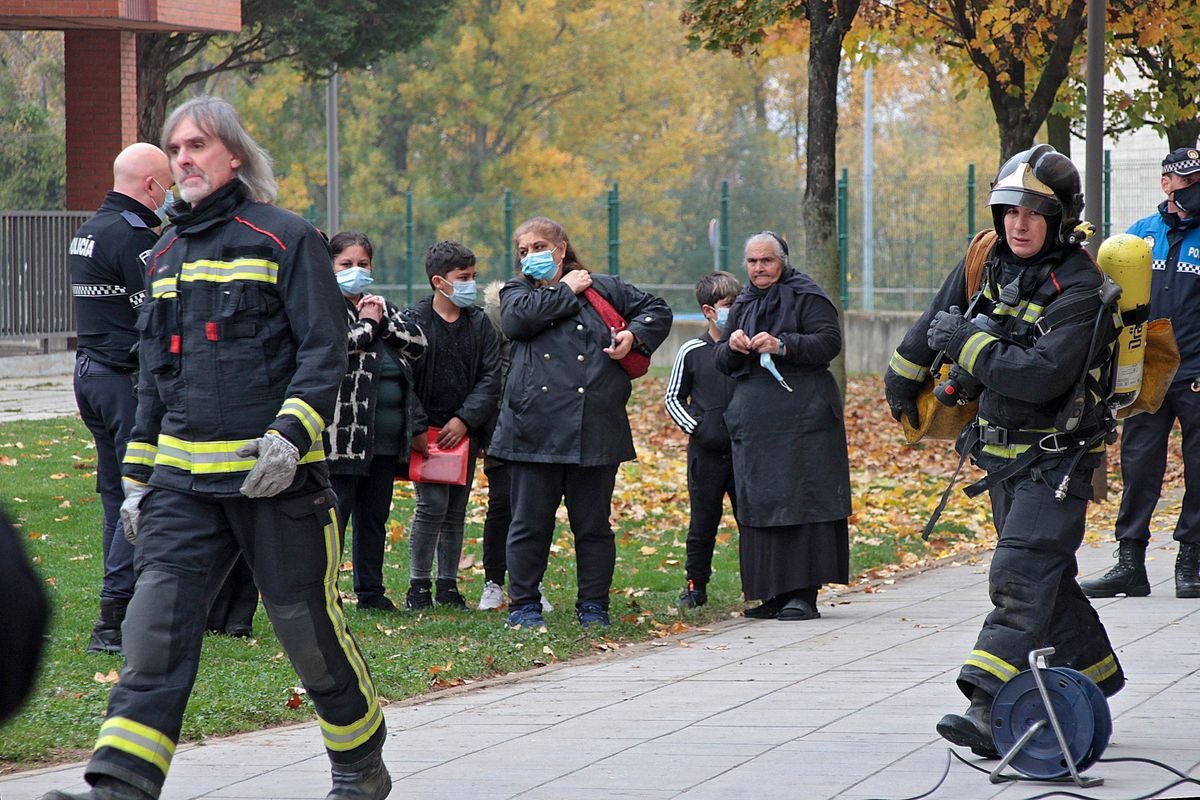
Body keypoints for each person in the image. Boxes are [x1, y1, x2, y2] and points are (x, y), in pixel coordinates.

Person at [40, 96, 390, 800]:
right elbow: (153, 375)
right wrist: (138, 477)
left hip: (276, 484)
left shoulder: (287, 238)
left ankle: (359, 766)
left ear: (233, 153)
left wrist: (290, 438)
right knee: (154, 630)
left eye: (197, 145)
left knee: (306, 629)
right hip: (182, 484)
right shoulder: (163, 252)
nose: (184, 160)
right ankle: (119, 787)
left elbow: (323, 352)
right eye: (174, 150)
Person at [883, 144, 1126, 759]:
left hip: (1059, 462)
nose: (1017, 224)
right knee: (1049, 580)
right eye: (1008, 211)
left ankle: (988, 706)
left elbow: (1041, 375)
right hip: (1002, 459)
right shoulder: (993, 263)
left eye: (1033, 213)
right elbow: (943, 316)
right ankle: (1098, 679)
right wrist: (906, 377)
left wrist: (968, 346)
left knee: (1019, 575)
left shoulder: (1080, 287)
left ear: (1060, 219)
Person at [489, 216, 672, 630]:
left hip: (595, 425)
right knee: (529, 524)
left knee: (593, 526)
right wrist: (565, 289)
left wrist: (635, 335)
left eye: (538, 247)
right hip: (532, 428)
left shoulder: (606, 287)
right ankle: (524, 605)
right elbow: (518, 322)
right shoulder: (518, 290)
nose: (530, 256)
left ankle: (593, 604)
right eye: (523, 251)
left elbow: (657, 309)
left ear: (561, 247)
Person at [68, 142, 174, 655]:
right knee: (139, 493)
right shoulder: (135, 239)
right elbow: (153, 314)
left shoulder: (89, 231)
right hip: (122, 379)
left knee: (116, 492)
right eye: (168, 184)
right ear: (152, 185)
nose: (170, 194)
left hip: (88, 374)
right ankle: (113, 619)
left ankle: (118, 612)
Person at [1081, 147, 1200, 600]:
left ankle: (1191, 560)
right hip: (1147, 372)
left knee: (1198, 469)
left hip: (1195, 372)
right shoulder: (1138, 239)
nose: (1195, 190)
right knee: (1139, 467)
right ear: (1166, 184)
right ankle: (1130, 561)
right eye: (1187, 182)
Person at [713, 233, 849, 622]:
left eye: (767, 261)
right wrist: (732, 346)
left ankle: (802, 595)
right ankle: (770, 591)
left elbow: (828, 342)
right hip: (755, 421)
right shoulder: (742, 301)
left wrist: (783, 345)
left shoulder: (807, 295)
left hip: (803, 417)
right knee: (761, 502)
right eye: (752, 262)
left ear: (783, 261)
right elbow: (721, 359)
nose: (759, 269)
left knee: (801, 500)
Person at [325, 230, 427, 612]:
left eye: (363, 264)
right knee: (335, 520)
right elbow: (339, 346)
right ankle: (326, 591)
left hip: (383, 441)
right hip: (342, 439)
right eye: (346, 265)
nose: (356, 272)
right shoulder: (325, 306)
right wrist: (367, 325)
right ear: (330, 267)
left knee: (374, 519)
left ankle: (372, 591)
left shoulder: (382, 306)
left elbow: (418, 344)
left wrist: (380, 320)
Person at [404, 241, 500, 610]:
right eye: (464, 278)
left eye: (474, 277)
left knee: (456, 510)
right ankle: (418, 586)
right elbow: (404, 377)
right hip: (426, 434)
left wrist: (465, 419)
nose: (471, 284)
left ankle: (448, 585)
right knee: (430, 506)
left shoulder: (479, 323)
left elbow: (490, 377)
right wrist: (416, 427)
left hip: (464, 434)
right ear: (439, 281)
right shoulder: (415, 321)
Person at [664, 271, 741, 609]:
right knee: (703, 523)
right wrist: (699, 428)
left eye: (739, 305)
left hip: (746, 452)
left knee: (753, 521)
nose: (734, 312)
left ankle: (760, 584)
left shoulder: (749, 348)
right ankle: (696, 585)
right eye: (728, 306)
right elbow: (672, 398)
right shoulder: (692, 351)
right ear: (709, 311)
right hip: (706, 455)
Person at [476, 281, 553, 614]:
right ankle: (494, 581)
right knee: (501, 505)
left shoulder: (556, 308)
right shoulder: (496, 314)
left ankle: (530, 583)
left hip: (544, 426)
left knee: (537, 510)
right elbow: (489, 372)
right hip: (503, 424)